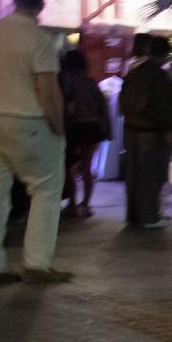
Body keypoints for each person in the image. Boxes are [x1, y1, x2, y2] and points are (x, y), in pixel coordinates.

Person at [0, 0, 70, 283]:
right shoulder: (39, 39)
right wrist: (59, 128)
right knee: (47, 191)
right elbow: (48, 90)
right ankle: (37, 262)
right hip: (29, 122)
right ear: (41, 2)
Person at [120, 33, 172, 230]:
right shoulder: (159, 77)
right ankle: (149, 217)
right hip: (151, 131)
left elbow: (123, 103)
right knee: (149, 176)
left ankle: (134, 215)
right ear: (166, 54)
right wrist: (168, 132)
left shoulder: (134, 73)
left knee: (133, 175)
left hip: (131, 129)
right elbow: (163, 108)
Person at [59, 49, 108, 221]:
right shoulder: (91, 82)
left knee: (69, 167)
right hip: (92, 127)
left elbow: (66, 107)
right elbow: (102, 106)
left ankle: (72, 205)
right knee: (87, 167)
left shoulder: (65, 81)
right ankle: (86, 205)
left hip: (73, 127)